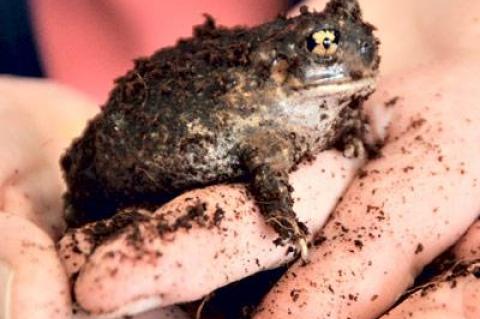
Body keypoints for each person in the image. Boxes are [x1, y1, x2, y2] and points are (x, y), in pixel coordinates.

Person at [0, 0, 479, 318]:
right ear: (282, 63)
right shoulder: (269, 115)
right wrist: (285, 224)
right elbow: (268, 172)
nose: (354, 53)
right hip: (123, 171)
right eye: (323, 45)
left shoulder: (318, 99)